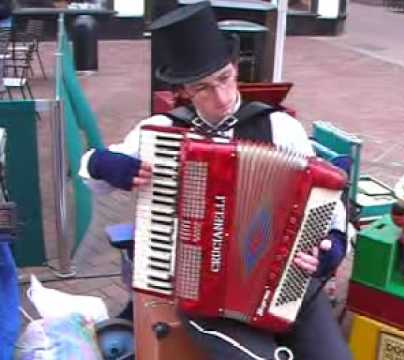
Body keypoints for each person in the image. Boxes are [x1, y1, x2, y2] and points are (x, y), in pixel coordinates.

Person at [79, 2, 351, 359]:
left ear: (236, 69)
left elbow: (328, 204)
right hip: (201, 295)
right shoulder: (159, 134)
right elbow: (90, 172)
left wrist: (333, 243)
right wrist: (103, 164)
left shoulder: (279, 128)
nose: (221, 97)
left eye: (224, 78)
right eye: (203, 87)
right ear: (184, 92)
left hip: (289, 286)